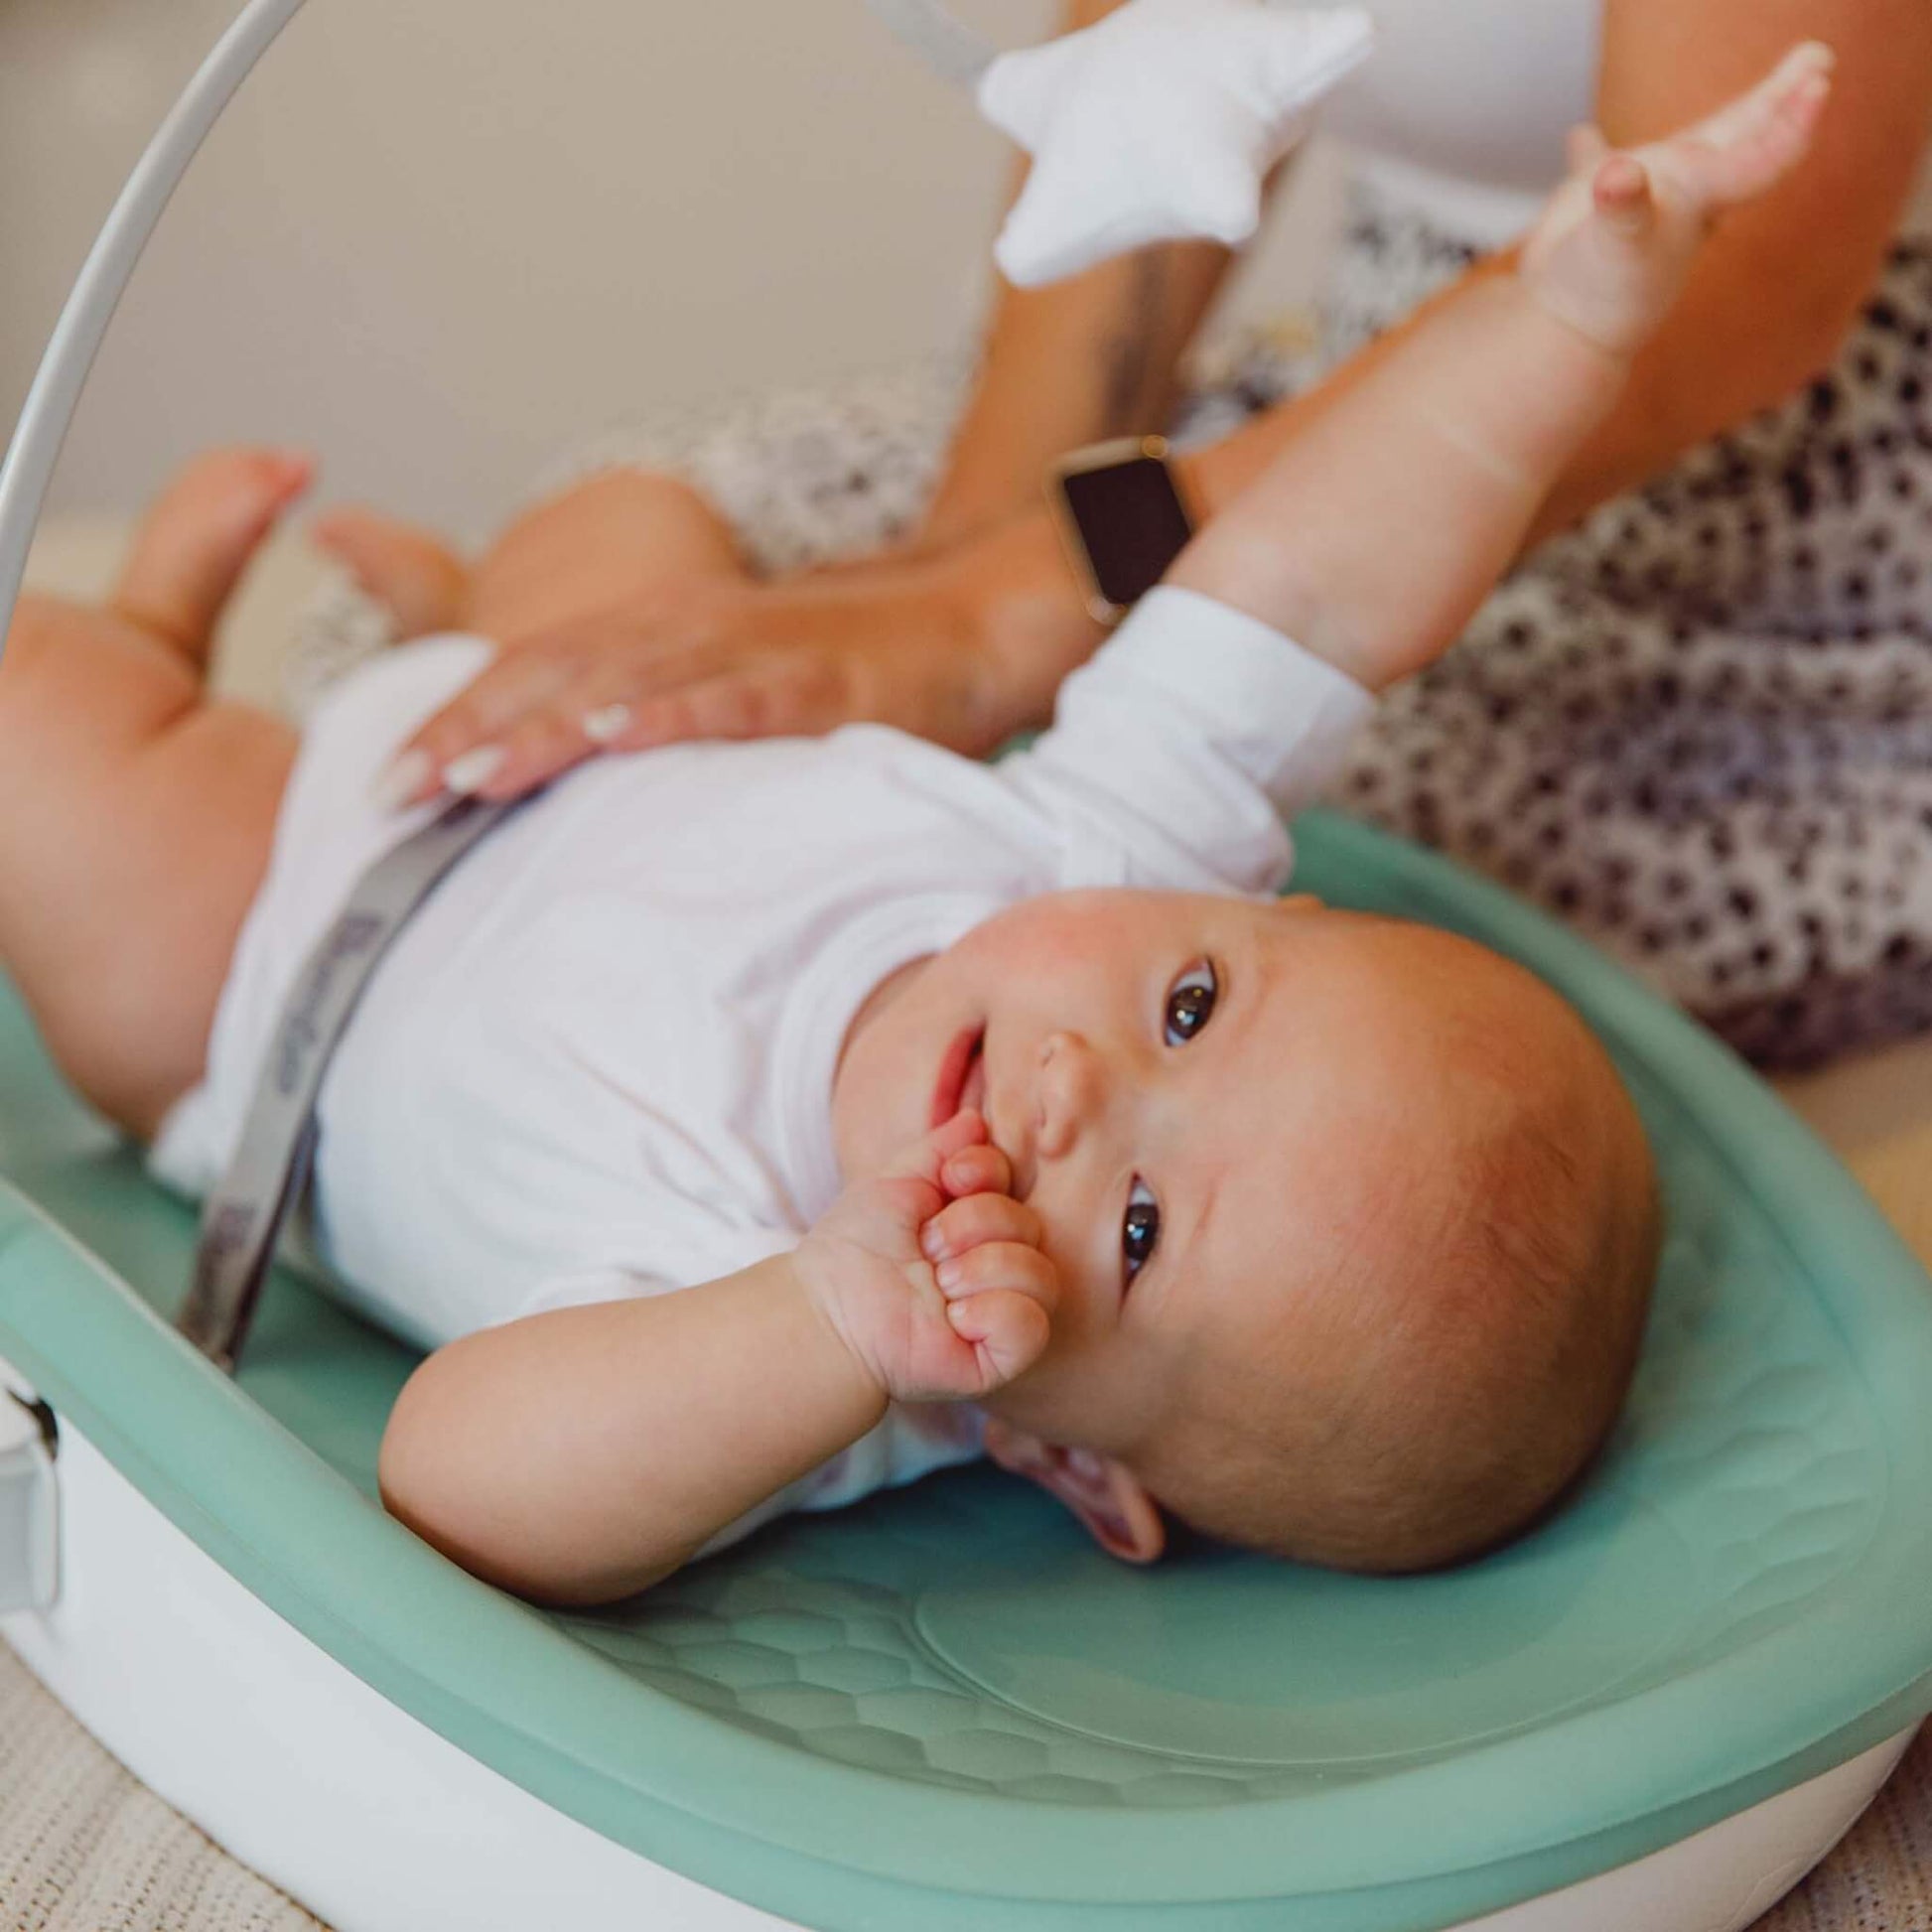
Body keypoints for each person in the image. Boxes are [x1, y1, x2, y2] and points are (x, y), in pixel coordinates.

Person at [0, 53, 1829, 1601]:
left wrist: (817, 1326)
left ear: (1061, 1460)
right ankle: (442, 615)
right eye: (1192, 1007)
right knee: (638, 527)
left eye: (1132, 1226)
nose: (1079, 1089)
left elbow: (457, 1468)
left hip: (268, 946)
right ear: (1233, 904)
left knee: (44, 731)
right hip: (539, 719)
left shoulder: (818, 1331)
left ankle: (156, 649)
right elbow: (1323, 584)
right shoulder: (1096, 847)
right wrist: (1563, 314)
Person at [314, 0, 1932, 1068]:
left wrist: (1008, 613)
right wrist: (978, 542)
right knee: (657, 529)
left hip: (1756, 495)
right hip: (1391, 330)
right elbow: (1157, 69)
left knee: (1236, 927)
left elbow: (1729, 268)